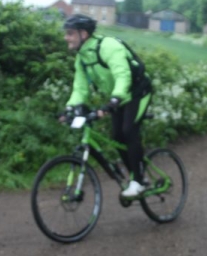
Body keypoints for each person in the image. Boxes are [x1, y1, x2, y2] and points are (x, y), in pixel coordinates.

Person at [60, 15, 153, 198]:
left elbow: (122, 75)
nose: (66, 37)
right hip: (118, 98)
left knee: (128, 131)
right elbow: (80, 88)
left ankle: (139, 181)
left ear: (83, 34)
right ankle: (135, 174)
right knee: (117, 137)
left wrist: (115, 99)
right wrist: (70, 108)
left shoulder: (108, 46)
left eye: (70, 33)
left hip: (137, 92)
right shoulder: (82, 58)